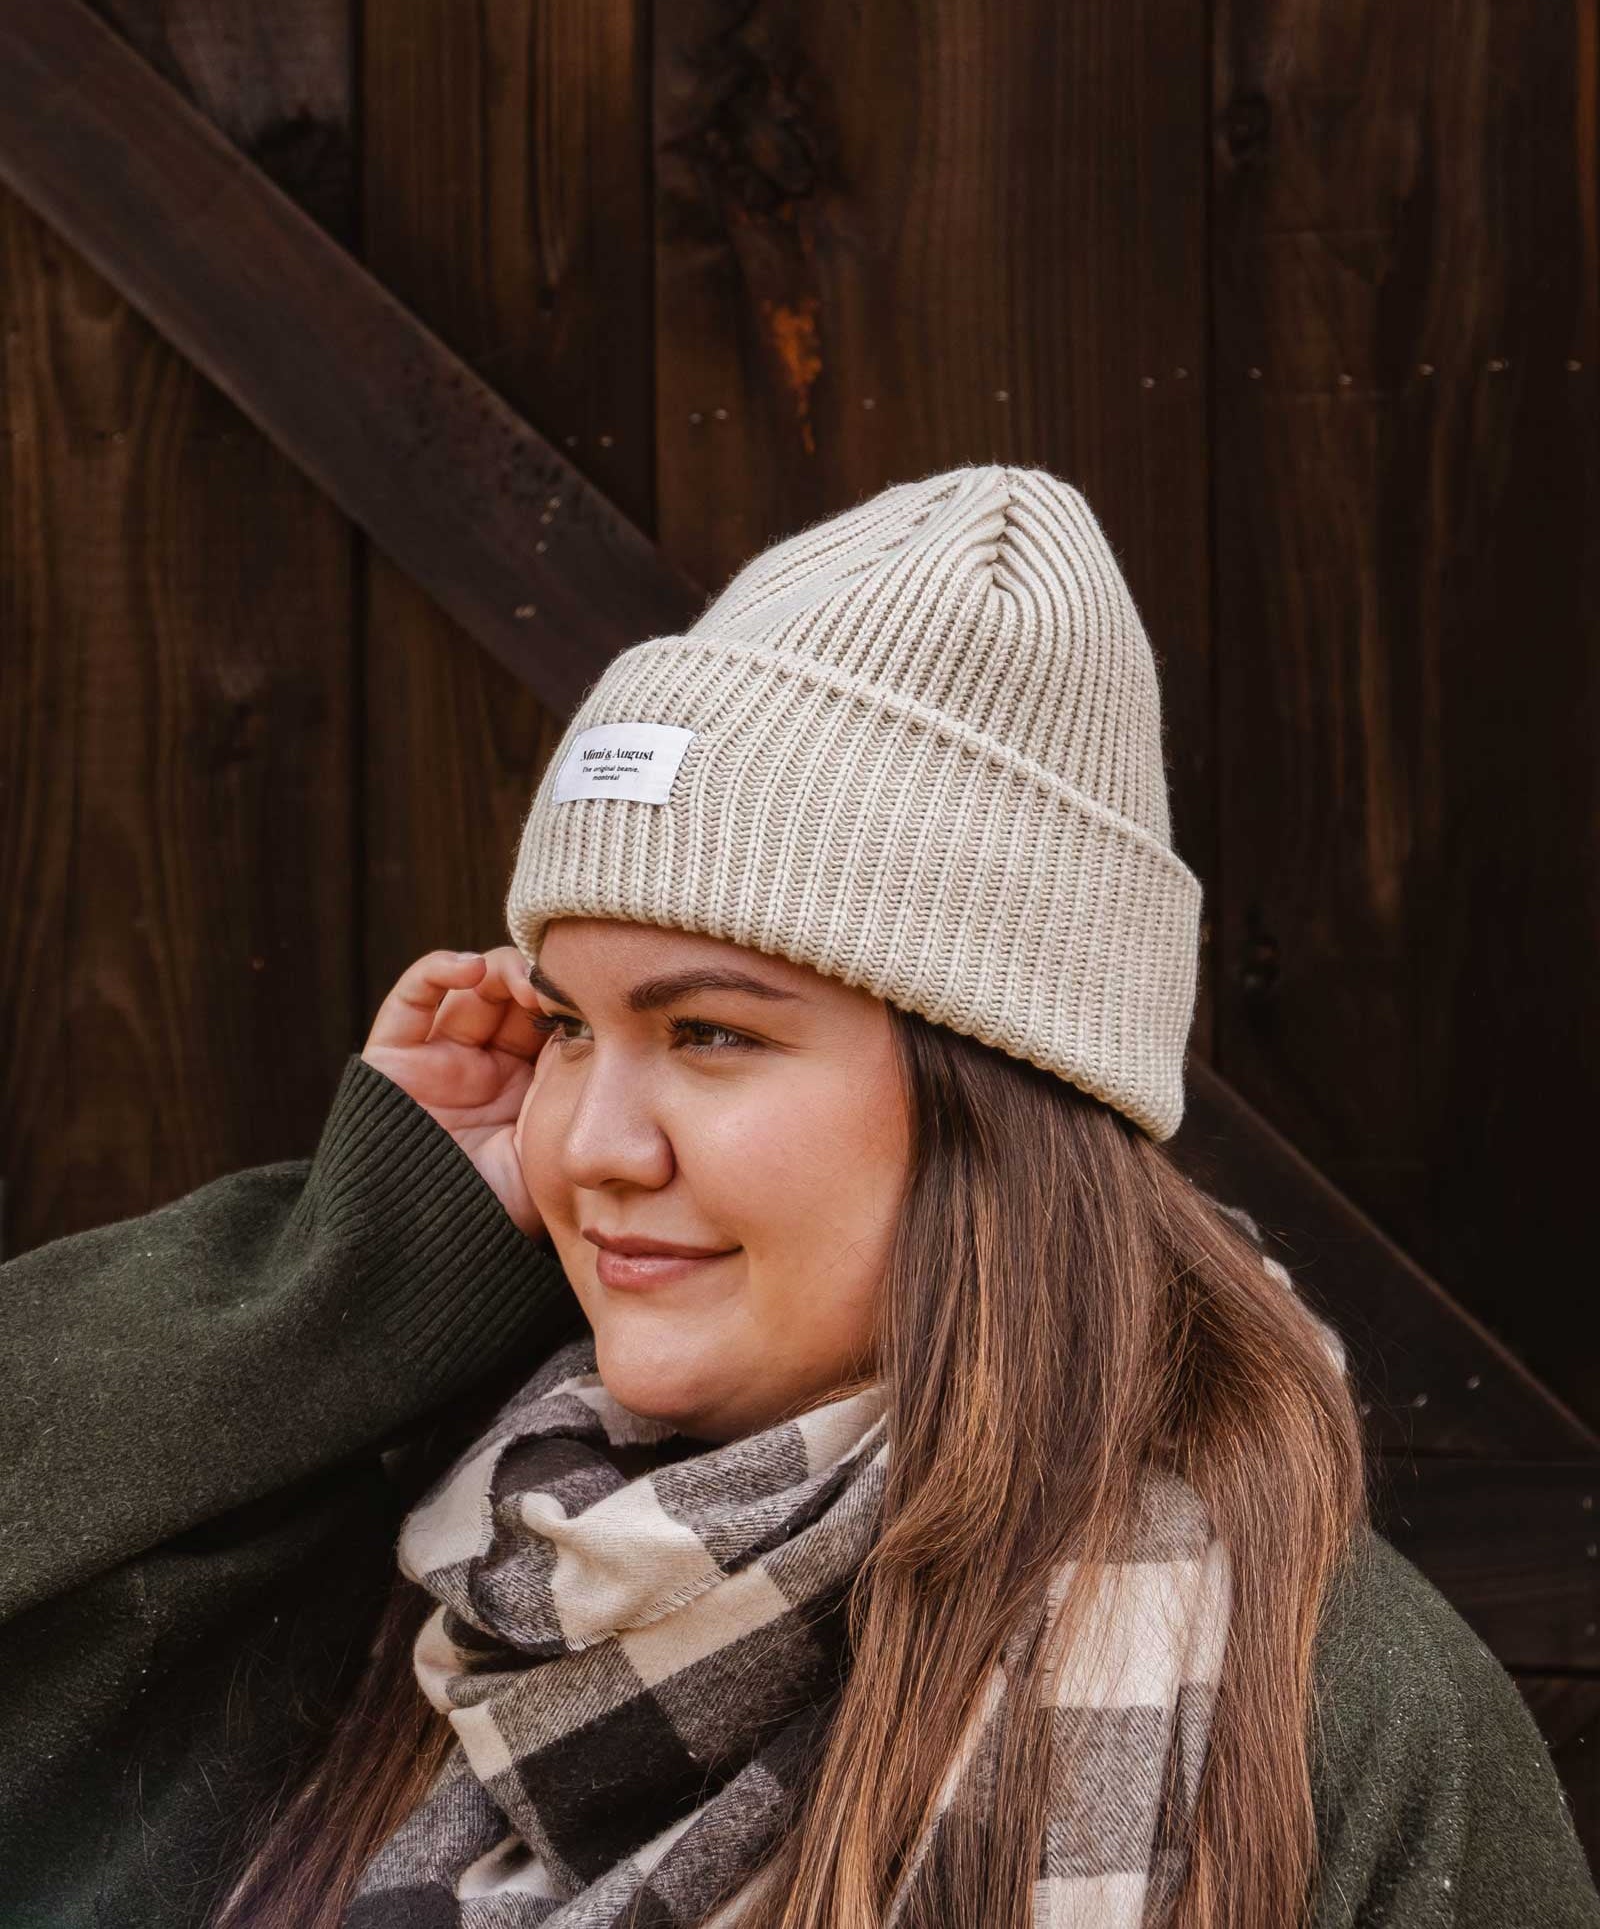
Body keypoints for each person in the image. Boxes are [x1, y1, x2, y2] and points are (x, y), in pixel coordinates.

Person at [2, 464, 1595, 1929]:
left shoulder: (1328, 1716)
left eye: (708, 1031)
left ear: (1003, 1098)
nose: (594, 1143)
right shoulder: (425, 1564)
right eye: (568, 1023)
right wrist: (355, 1263)